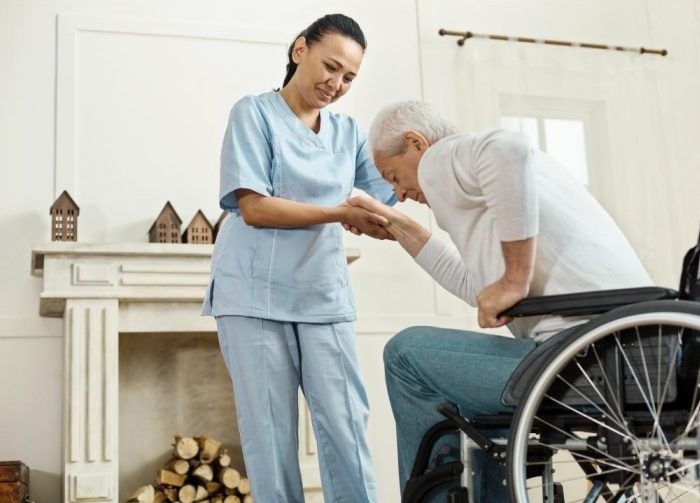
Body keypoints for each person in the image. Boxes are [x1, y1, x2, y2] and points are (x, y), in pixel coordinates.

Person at [346, 100, 653, 501]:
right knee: (473, 410)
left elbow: (507, 150)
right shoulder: (510, 181)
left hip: (583, 359)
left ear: (416, 142)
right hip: (630, 353)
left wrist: (514, 278)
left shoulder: (444, 157)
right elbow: (472, 283)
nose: (400, 194)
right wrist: (398, 225)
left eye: (393, 176)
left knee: (405, 355)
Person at [201, 14, 397, 503]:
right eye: (330, 67)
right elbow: (255, 207)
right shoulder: (253, 113)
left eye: (349, 77)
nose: (336, 83)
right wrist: (338, 211)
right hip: (252, 292)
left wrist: (437, 163)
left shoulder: (348, 132)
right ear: (299, 51)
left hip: (322, 291)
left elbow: (391, 191)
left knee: (347, 424)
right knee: (269, 435)